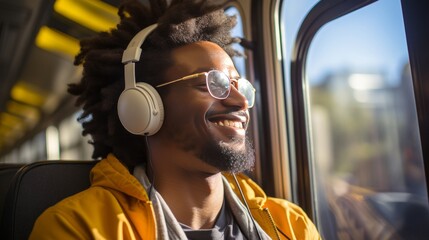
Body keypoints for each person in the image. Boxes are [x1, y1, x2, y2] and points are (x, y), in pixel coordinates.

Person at [30, 0, 320, 239]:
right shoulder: (78, 228)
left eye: (239, 85)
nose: (240, 101)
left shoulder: (291, 226)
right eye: (213, 83)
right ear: (143, 107)